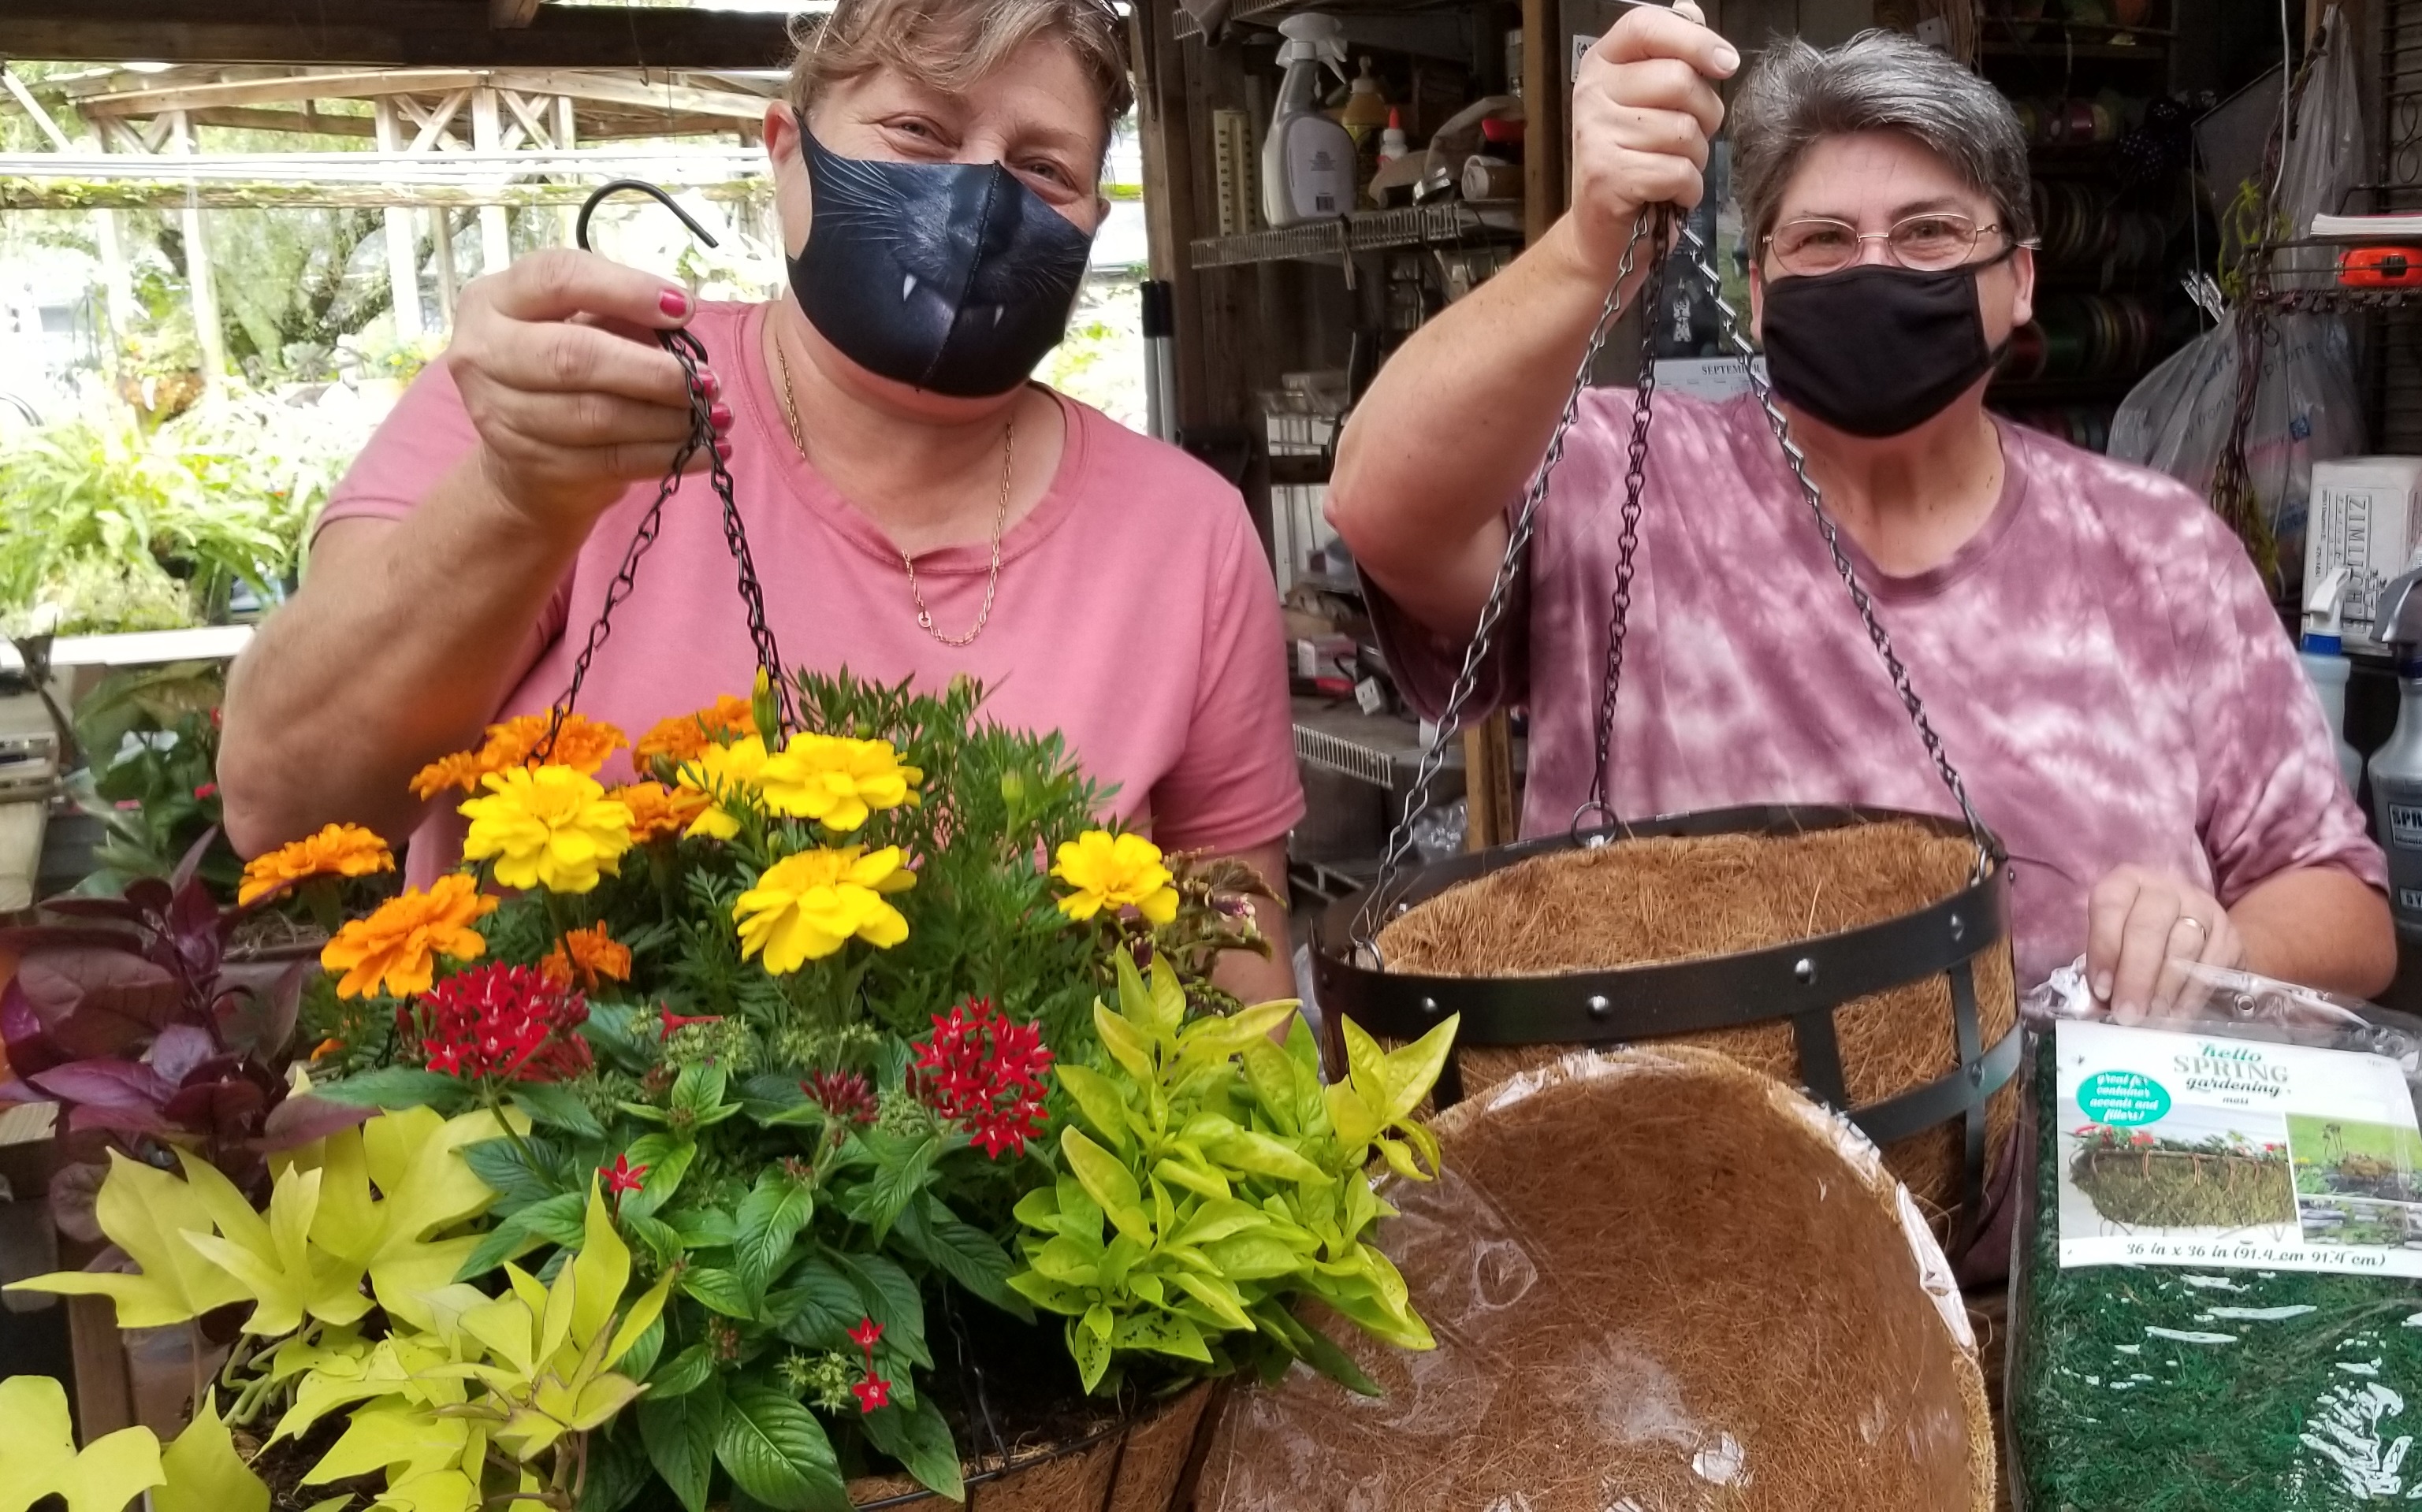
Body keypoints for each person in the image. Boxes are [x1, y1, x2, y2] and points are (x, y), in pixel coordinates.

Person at [218, 0, 1302, 1001]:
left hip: (1042, 1191)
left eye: (1042, 167)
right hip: (553, 1174)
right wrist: (520, 498)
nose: (979, 199)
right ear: (787, 156)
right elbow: (287, 807)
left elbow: (1231, 958)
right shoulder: (567, 402)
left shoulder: (1183, 533)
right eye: (920, 134)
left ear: (1090, 220)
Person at [1326, 17, 2393, 1021]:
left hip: (2054, 1196)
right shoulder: (1617, 482)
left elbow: (2340, 903)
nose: (1876, 269)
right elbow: (1379, 506)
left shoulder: (2156, 552)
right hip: (1678, 1190)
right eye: (1824, 241)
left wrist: (2221, 948)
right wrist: (1586, 243)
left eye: (1928, 233)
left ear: (2017, 277)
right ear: (1755, 291)